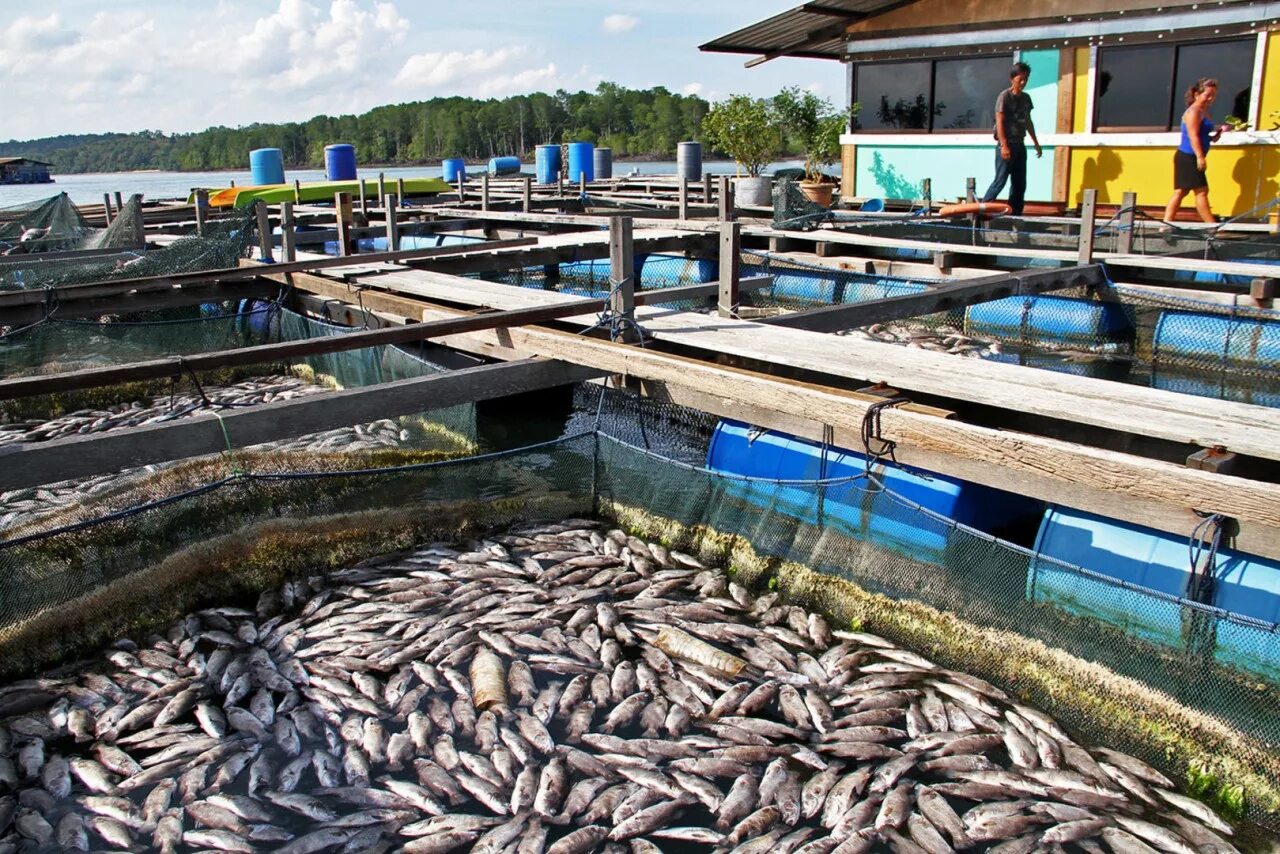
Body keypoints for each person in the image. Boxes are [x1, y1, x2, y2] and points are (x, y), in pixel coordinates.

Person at [981, 62, 1042, 216]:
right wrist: (1004, 145)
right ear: (1012, 79)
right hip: (1007, 144)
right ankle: (982, 209)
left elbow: (1028, 121)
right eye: (1020, 79)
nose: (1023, 82)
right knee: (1000, 180)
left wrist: (1036, 143)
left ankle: (1015, 213)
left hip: (1020, 144)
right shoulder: (1005, 96)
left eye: (1026, 79)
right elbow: (999, 121)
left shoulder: (1026, 98)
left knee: (1019, 183)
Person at [1163, 78, 1226, 224]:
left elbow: (1203, 135)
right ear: (1197, 94)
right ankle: (1211, 226)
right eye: (1207, 95)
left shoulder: (1203, 111)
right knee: (1201, 191)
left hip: (1193, 156)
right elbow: (1193, 135)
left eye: (1213, 95)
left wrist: (1216, 136)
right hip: (1188, 156)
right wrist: (1200, 157)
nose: (1211, 98)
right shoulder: (1193, 111)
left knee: (1182, 191)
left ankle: (1166, 224)